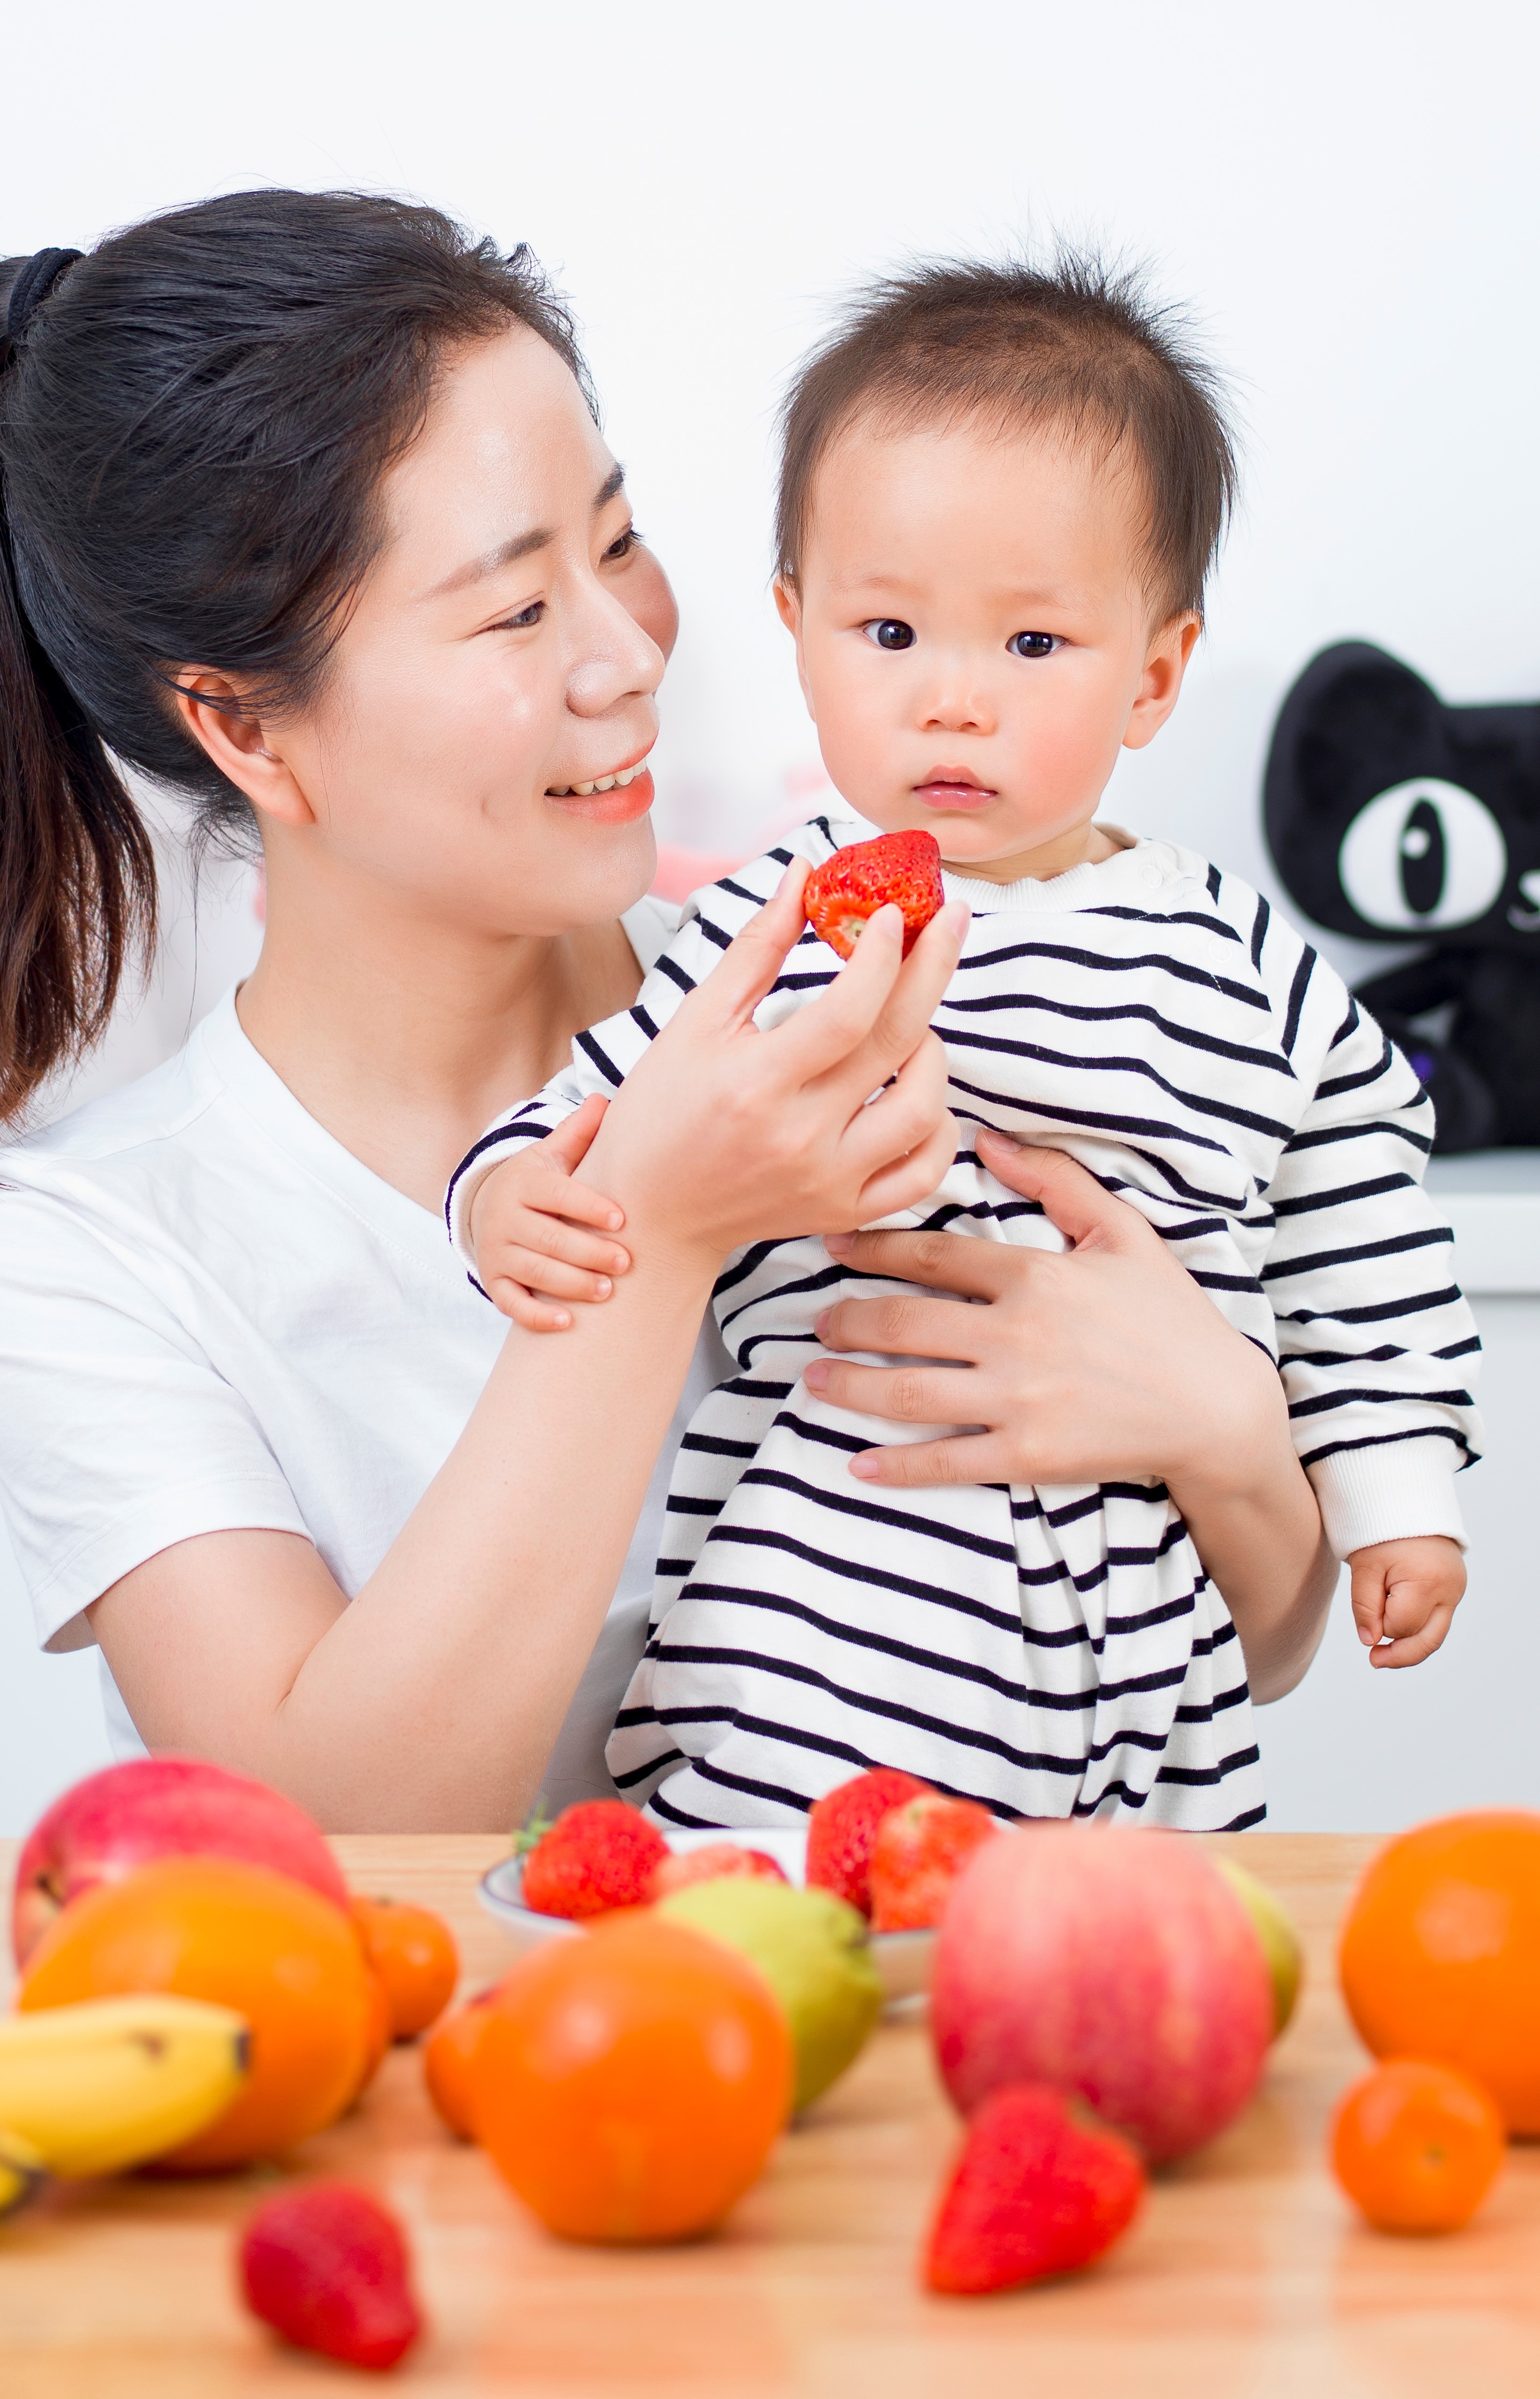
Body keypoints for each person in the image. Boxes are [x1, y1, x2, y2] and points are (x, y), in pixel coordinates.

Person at [0, 192, 1342, 1835]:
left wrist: (1224, 1423)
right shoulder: (79, 1250)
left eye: (615, 540)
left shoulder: (876, 1005)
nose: (627, 652)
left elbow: (1246, 1642)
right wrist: (657, 1236)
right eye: (510, 609)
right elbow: (332, 1839)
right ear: (249, 734)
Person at [454, 258, 1482, 1830]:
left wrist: (1396, 1494)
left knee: (1139, 2010)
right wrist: (498, 1191)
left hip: (1145, 1668)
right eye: (886, 630)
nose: (951, 703)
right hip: (816, 1616)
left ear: (1152, 675)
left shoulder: (1237, 957)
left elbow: (1363, 1224)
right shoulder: (775, 919)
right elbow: (595, 1104)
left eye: (1030, 648)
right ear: (795, 632)